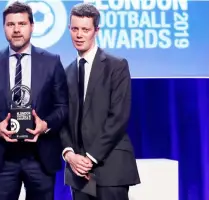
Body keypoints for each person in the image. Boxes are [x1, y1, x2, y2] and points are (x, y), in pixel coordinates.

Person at [0, 2, 68, 200]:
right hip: (2, 159)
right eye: (10, 24)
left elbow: (62, 107)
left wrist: (46, 125)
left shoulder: (52, 62)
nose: (16, 30)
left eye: (22, 23)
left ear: (32, 26)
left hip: (40, 158)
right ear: (4, 28)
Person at [60, 3, 141, 200]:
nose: (79, 35)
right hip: (78, 173)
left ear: (96, 31)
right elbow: (62, 119)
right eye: (75, 28)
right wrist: (69, 154)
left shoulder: (116, 66)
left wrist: (90, 158)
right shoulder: (67, 72)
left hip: (111, 167)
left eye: (85, 29)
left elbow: (119, 117)